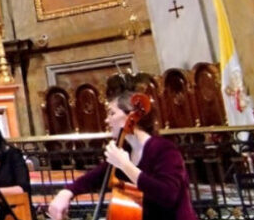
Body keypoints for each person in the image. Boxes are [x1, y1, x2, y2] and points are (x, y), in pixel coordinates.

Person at [47, 91, 198, 220]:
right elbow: (93, 177)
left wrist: (126, 166)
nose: (107, 120)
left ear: (131, 116)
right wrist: (66, 193)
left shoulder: (164, 149)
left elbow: (167, 195)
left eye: (112, 113)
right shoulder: (124, 149)